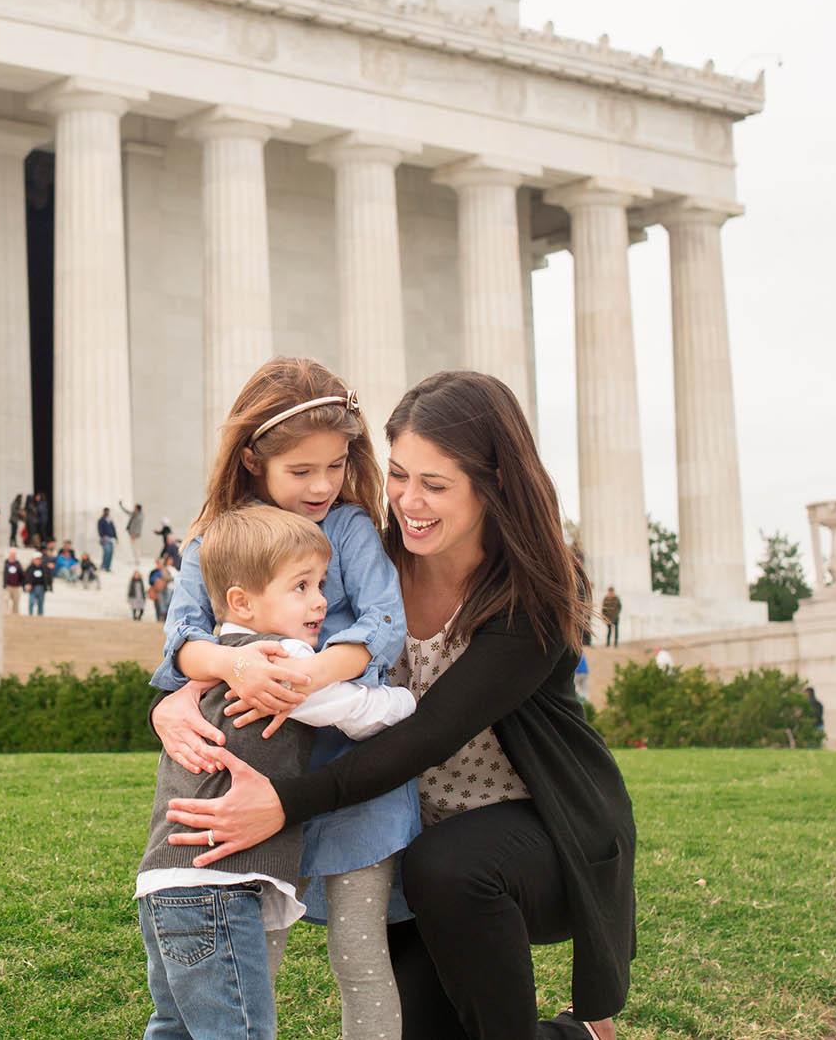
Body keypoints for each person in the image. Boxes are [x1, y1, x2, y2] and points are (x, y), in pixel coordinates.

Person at [155, 370, 635, 1040]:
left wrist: (284, 801)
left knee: (450, 866)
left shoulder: (532, 589)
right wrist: (180, 696)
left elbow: (429, 733)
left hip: (540, 831)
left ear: (493, 483)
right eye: (400, 475)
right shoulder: (369, 554)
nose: (409, 501)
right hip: (418, 832)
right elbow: (250, 625)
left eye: (435, 485)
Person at [145, 355, 414, 1040]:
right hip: (259, 778)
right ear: (252, 460)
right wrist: (237, 666)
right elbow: (183, 639)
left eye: (336, 463)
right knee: (247, 951)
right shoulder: (216, 537)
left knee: (358, 950)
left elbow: (385, 623)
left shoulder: (349, 527)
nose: (323, 484)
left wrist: (309, 675)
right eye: (302, 471)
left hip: (358, 781)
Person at [25, 552, 51, 616]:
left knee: (40, 603)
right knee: (31, 602)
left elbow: (48, 576)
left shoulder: (44, 567)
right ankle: (30, 615)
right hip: (33, 588)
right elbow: (26, 577)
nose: (38, 560)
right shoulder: (30, 568)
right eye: (37, 559)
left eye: (39, 559)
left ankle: (40, 615)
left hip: (41, 587)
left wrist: (48, 585)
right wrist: (27, 584)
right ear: (33, 560)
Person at [3, 549, 24, 614]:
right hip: (7, 586)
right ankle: (6, 613)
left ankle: (15, 614)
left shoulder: (18, 564)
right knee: (5, 600)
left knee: (16, 602)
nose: (12, 556)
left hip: (16, 586)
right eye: (11, 554)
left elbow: (22, 574)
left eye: (14, 555)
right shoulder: (5, 563)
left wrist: (22, 583)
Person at [98, 507, 118, 573]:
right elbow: (100, 529)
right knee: (107, 552)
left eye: (108, 511)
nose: (107, 513)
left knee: (111, 553)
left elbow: (113, 529)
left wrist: (116, 537)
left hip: (111, 539)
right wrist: (102, 537)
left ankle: (107, 567)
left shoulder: (110, 520)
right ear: (104, 512)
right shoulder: (101, 520)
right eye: (106, 511)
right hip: (105, 539)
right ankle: (103, 565)